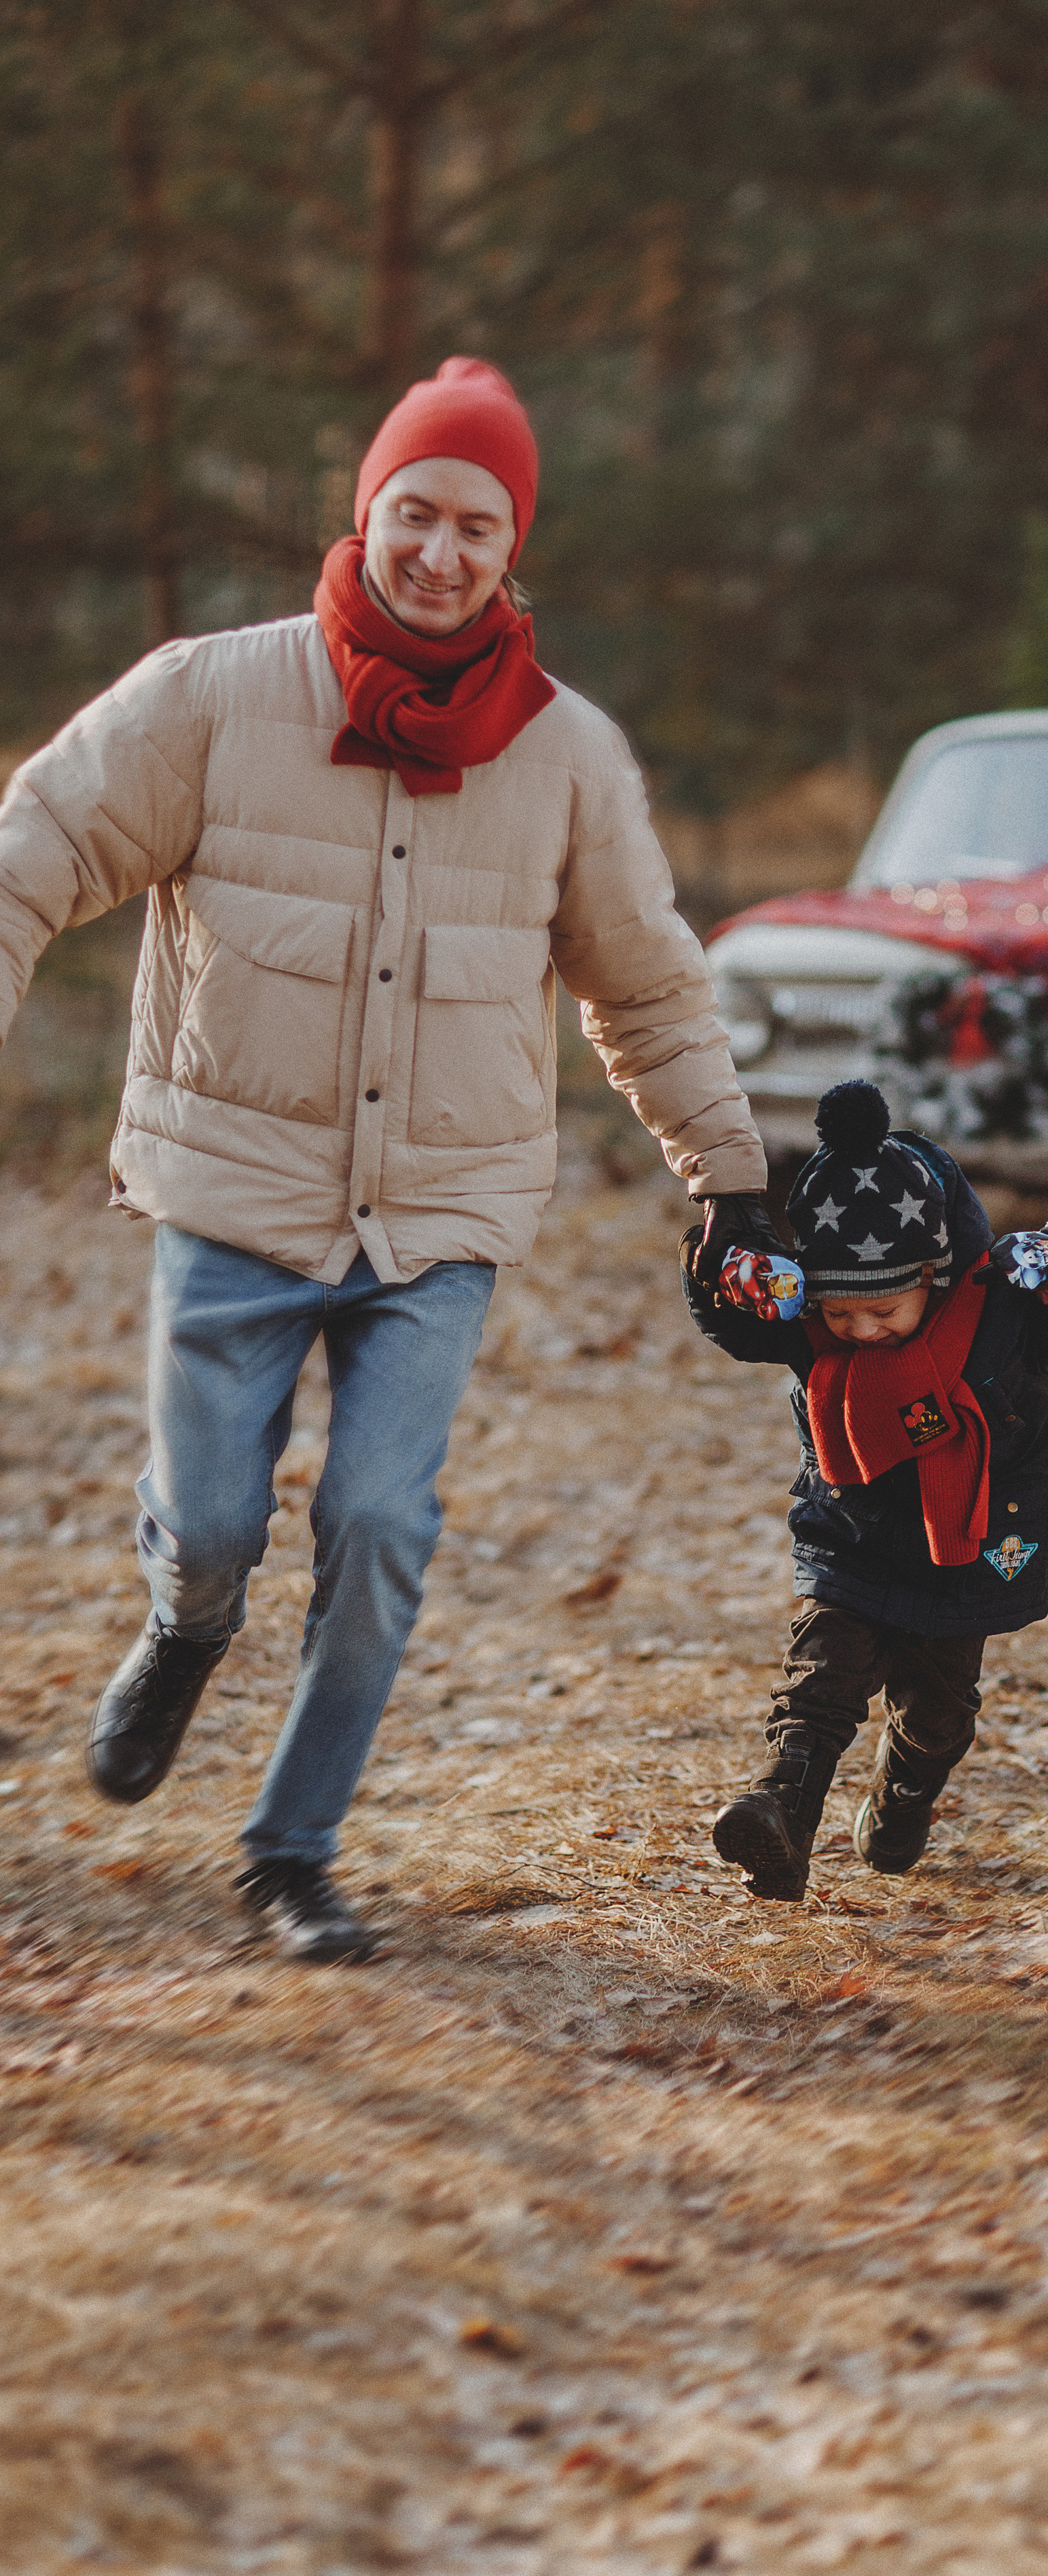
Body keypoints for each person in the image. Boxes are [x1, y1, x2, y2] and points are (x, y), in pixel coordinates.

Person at [0, 356, 772, 1962]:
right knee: (214, 1524)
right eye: (413, 510)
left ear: (512, 548)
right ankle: (181, 1622)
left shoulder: (565, 755)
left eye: (474, 522)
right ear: (368, 511)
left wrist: (731, 1175)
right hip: (234, 1193)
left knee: (379, 1525)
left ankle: (293, 1847)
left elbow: (642, 979)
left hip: (437, 1212)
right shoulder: (212, 695)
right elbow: (41, 843)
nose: (438, 548)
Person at [684, 1080, 1048, 1901]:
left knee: (937, 1717)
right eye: (839, 1313)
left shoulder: (1000, 1310)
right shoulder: (812, 1324)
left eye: (882, 1309)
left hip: (969, 1549)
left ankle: (906, 1794)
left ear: (933, 1273)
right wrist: (721, 1260)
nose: (857, 1330)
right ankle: (780, 1816)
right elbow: (733, 1319)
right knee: (818, 1684)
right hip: (851, 1540)